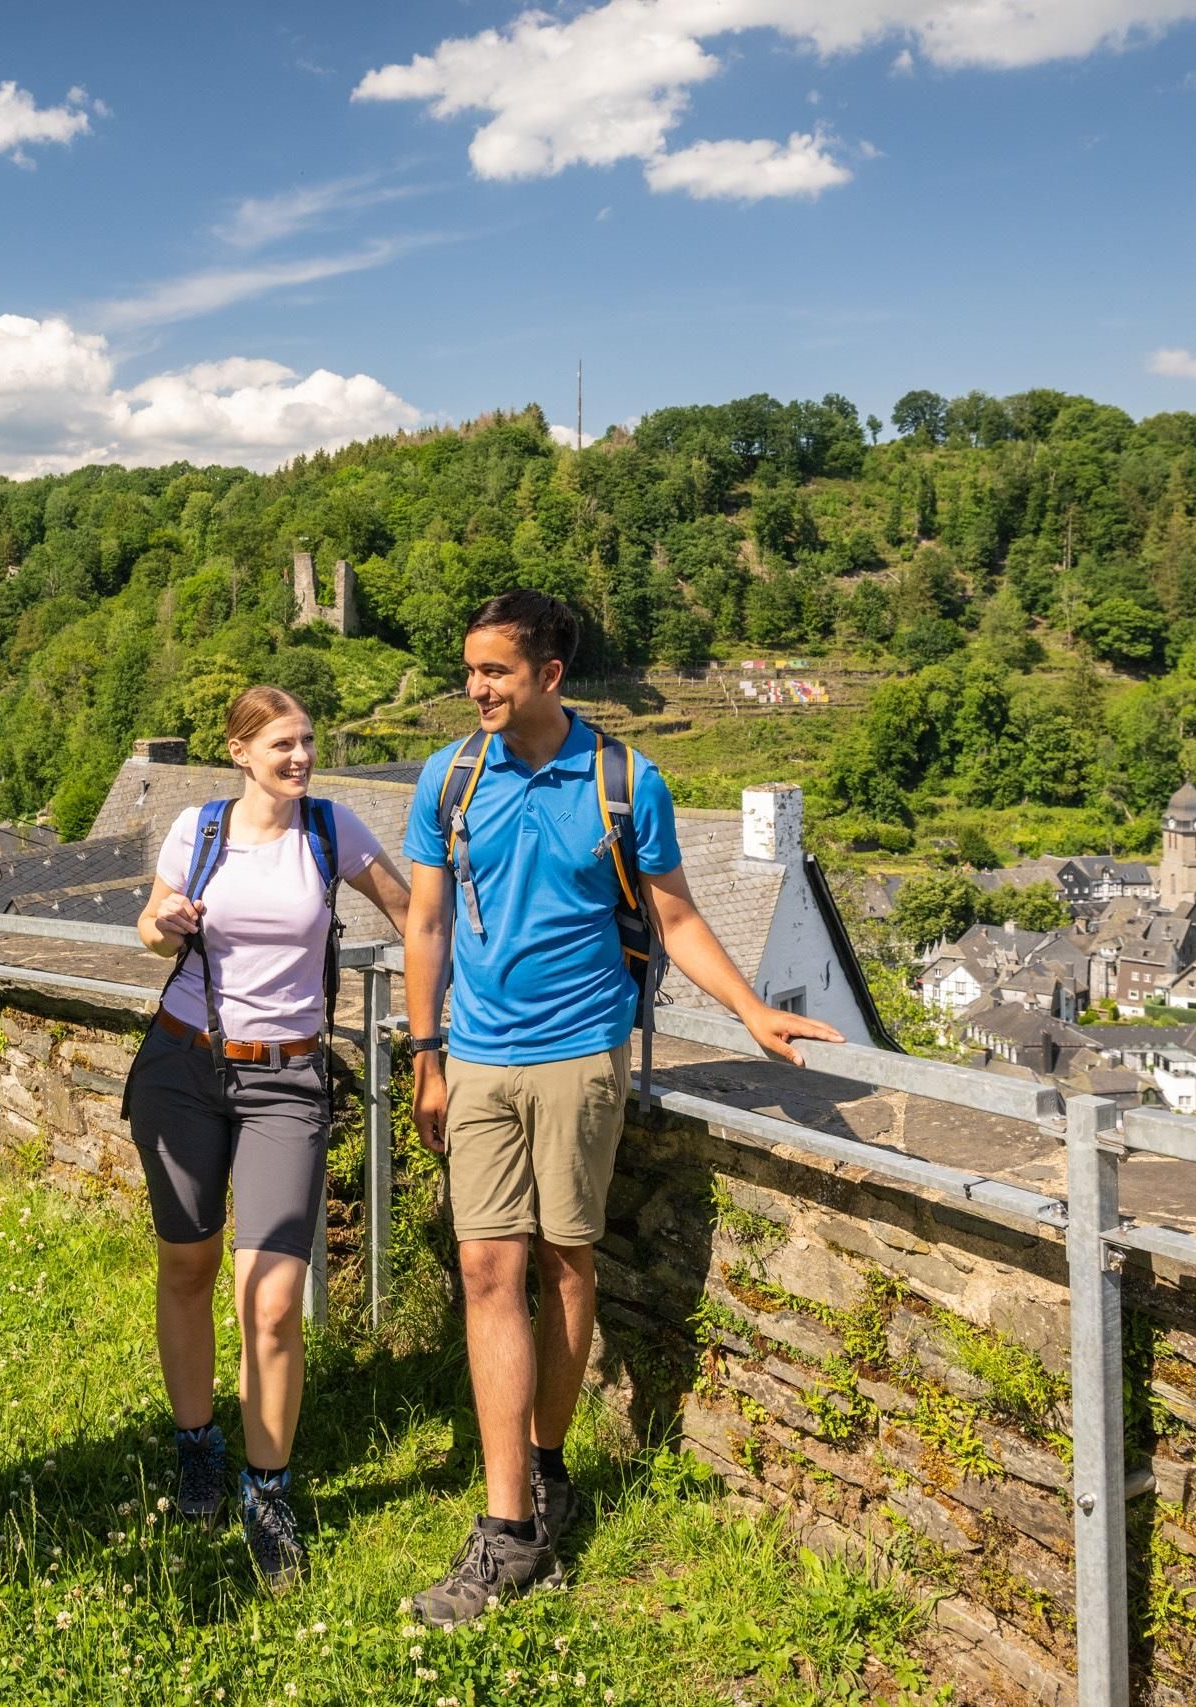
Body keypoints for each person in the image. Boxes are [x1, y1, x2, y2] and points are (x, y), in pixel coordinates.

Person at [399, 590, 841, 1628]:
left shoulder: (623, 781)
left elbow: (675, 915)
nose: (476, 689)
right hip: (474, 1055)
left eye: (495, 672)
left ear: (550, 675)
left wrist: (750, 1013)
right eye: (469, 670)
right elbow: (423, 922)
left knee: (563, 1261)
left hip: (578, 1055)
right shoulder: (448, 776)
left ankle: (545, 1471)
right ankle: (507, 1529)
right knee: (483, 1266)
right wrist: (426, 1054)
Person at [126, 686, 410, 1591]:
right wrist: (161, 921)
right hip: (183, 1063)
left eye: (308, 742)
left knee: (275, 1296)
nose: (300, 757)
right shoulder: (195, 829)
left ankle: (269, 1487)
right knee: (188, 1263)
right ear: (240, 751)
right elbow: (147, 923)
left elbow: (414, 913)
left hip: (288, 1075)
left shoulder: (332, 830)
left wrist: (454, 1009)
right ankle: (197, 1443)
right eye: (282, 744)